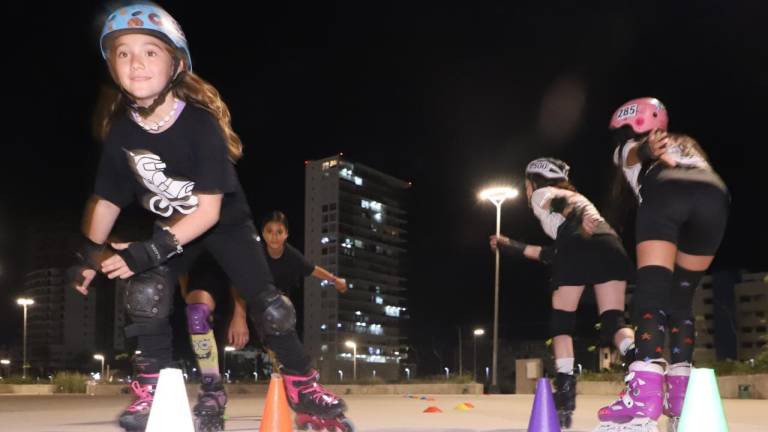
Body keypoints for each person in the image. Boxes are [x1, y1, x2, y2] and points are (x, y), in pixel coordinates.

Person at [69, 4, 350, 431]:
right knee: (146, 293)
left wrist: (148, 250)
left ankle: (301, 384)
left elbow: (208, 211)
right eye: (123, 54)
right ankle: (154, 388)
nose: (136, 63)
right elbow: (105, 200)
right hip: (174, 227)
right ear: (111, 66)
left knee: (272, 308)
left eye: (150, 51)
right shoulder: (122, 134)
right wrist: (90, 253)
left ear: (176, 63)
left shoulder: (200, 125)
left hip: (223, 224)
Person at [595, 98, 729, 432]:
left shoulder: (629, 147)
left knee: (652, 295)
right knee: (681, 299)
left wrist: (643, 152)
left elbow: (630, 155)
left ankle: (644, 399)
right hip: (714, 196)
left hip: (667, 192)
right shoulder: (687, 143)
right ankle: (680, 399)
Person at [490, 157, 635, 429]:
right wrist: (508, 244)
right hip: (609, 242)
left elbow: (560, 207)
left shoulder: (543, 194)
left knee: (561, 326)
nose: (526, 191)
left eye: (526, 185)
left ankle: (566, 394)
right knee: (614, 320)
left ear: (534, 181)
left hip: (578, 239)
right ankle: (640, 365)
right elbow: (550, 254)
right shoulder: (580, 198)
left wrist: (575, 216)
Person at [179, 253, 247, 431]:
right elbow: (180, 264)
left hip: (231, 287)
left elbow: (241, 270)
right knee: (196, 315)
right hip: (202, 279)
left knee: (277, 317)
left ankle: (300, 382)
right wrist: (185, 288)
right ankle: (212, 387)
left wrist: (240, 315)